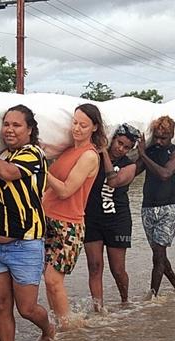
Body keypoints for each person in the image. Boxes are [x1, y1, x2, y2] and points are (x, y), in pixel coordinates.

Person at [0, 104, 54, 341]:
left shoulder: (33, 154)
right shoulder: (2, 156)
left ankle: (49, 328)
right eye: (6, 124)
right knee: (1, 306)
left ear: (30, 130)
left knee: (27, 308)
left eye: (16, 125)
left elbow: (8, 173)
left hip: (25, 244)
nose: (9, 129)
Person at [43, 103, 105, 329]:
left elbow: (66, 190)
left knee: (53, 279)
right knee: (48, 281)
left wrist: (42, 168)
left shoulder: (89, 156)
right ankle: (59, 327)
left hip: (68, 226)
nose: (77, 128)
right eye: (75, 123)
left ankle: (69, 330)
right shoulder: (67, 150)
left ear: (94, 128)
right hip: (47, 219)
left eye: (83, 125)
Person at [84, 123, 140, 310]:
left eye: (126, 147)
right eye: (119, 143)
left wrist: (105, 153)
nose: (120, 149)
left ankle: (125, 300)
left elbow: (113, 181)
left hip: (118, 220)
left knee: (117, 269)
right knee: (94, 266)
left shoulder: (129, 166)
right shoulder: (92, 156)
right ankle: (98, 310)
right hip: (91, 218)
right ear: (112, 139)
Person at [136, 115, 175, 298]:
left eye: (163, 138)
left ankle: (152, 297)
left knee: (158, 254)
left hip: (167, 209)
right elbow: (134, 170)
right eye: (156, 137)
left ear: (172, 135)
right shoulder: (150, 150)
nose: (158, 141)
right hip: (147, 208)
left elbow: (165, 174)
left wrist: (143, 154)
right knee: (160, 255)